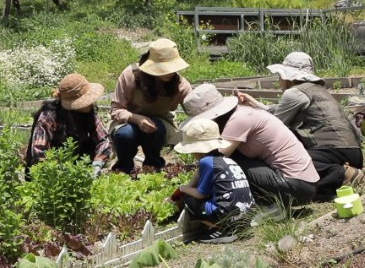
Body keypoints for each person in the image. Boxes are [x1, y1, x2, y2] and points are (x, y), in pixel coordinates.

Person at [236, 52, 365, 201]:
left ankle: (341, 174)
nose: (279, 80)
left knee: (296, 165)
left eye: (280, 76)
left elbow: (275, 126)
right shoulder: (315, 89)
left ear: (287, 77)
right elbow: (280, 111)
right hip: (352, 150)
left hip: (334, 149)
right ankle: (341, 175)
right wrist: (254, 104)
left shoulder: (294, 93)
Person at [183, 84, 319, 206]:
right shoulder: (240, 113)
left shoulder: (238, 119)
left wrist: (188, 190)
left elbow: (213, 161)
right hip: (303, 183)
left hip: (296, 186)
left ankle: (237, 203)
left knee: (226, 161)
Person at [110, 38, 192, 174]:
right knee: (125, 135)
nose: (170, 73)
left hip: (160, 123)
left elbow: (195, 110)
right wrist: (137, 118)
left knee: (156, 129)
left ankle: (153, 167)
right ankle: (124, 169)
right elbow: (116, 109)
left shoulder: (180, 85)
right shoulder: (131, 75)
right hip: (129, 120)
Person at [170, 119, 255, 244]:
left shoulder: (207, 162)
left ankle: (223, 229)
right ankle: (238, 226)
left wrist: (182, 189)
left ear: (196, 149)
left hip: (227, 214)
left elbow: (200, 194)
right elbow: (198, 180)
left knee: (189, 200)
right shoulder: (224, 160)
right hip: (248, 212)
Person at [25, 73, 112, 178]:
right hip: (50, 170)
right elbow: (39, 152)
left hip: (77, 162)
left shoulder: (89, 113)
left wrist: (97, 163)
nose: (91, 102)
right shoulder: (48, 117)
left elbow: (104, 140)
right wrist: (57, 175)